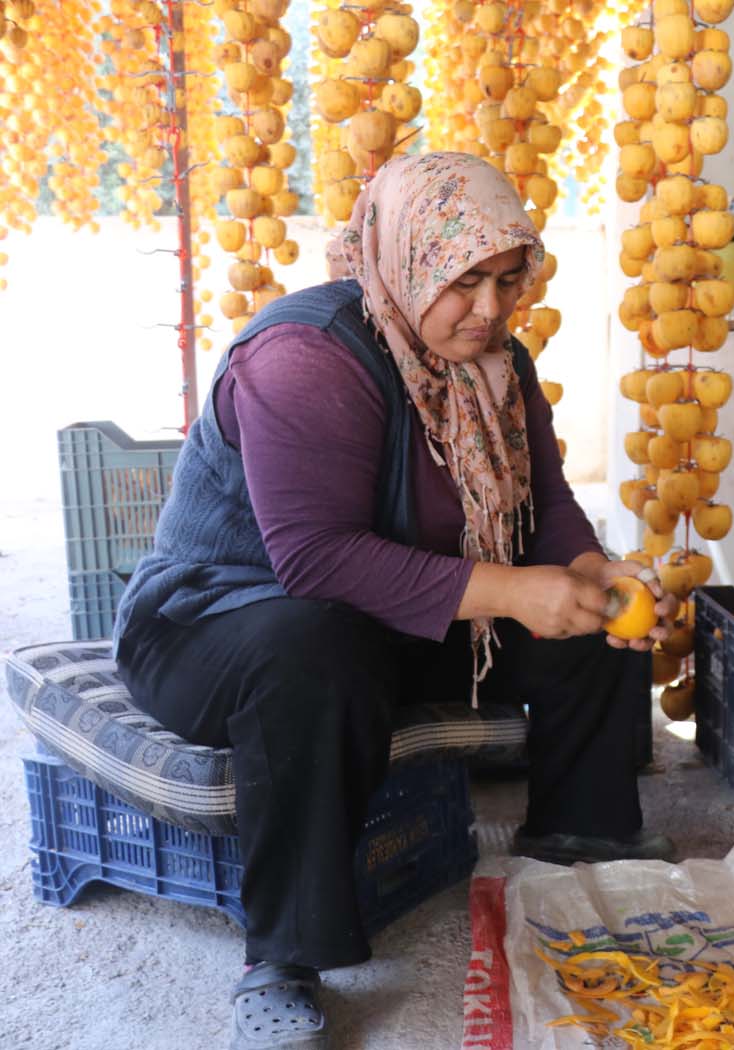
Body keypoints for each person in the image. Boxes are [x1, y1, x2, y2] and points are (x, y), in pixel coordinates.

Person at [112, 152, 676, 1049]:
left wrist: (585, 568)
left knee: (594, 615)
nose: (489, 309)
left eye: (505, 278)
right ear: (407, 259)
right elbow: (314, 559)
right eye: (462, 282)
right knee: (314, 647)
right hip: (218, 622)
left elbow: (544, 503)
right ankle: (282, 955)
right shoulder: (305, 357)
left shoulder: (498, 362)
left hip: (378, 617)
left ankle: (581, 839)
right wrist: (508, 591)